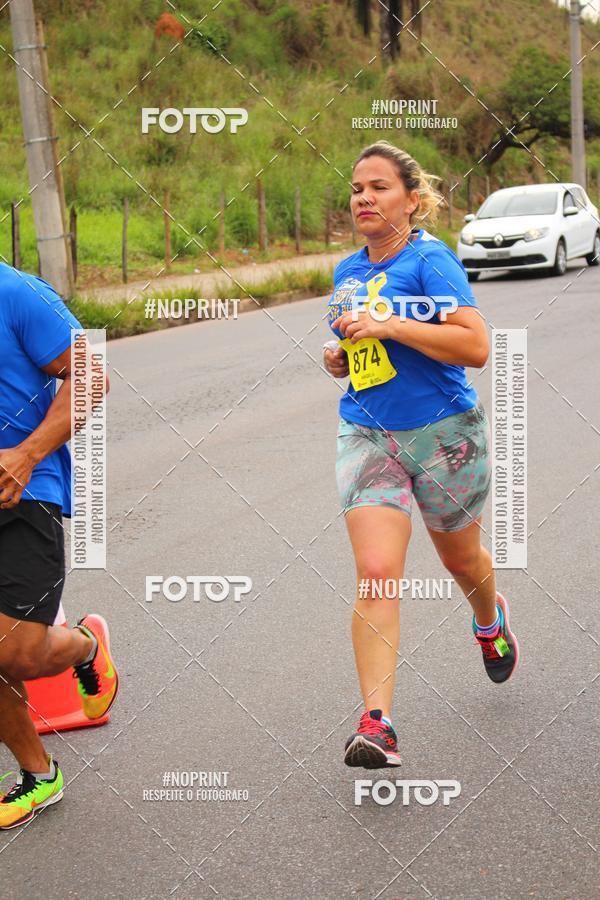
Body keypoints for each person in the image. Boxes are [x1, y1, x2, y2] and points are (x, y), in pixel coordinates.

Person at [323, 141, 518, 769]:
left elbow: (475, 346)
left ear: (412, 198)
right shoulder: (347, 272)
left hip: (446, 434)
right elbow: (359, 349)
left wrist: (390, 327)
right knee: (377, 568)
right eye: (357, 189)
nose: (364, 198)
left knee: (462, 560)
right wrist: (339, 357)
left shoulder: (432, 261)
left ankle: (488, 620)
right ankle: (376, 724)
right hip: (368, 432)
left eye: (379, 187)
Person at [0, 262, 119, 828]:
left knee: (16, 654)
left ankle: (84, 647)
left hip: (22, 492)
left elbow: (92, 373)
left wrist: (27, 453)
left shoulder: (17, 292)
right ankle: (38, 775)